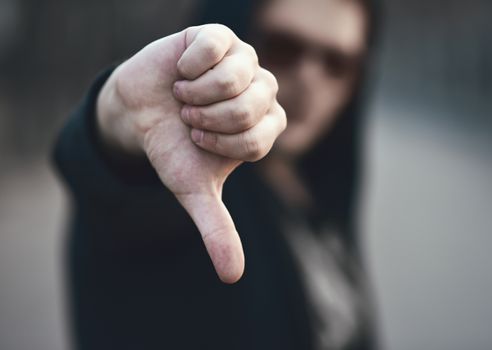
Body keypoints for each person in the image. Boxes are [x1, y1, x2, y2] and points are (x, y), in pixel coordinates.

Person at [53, 0, 379, 348]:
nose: (309, 78)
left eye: (338, 63)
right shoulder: (187, 187)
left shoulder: (318, 192)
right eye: (284, 47)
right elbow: (116, 188)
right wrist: (117, 116)